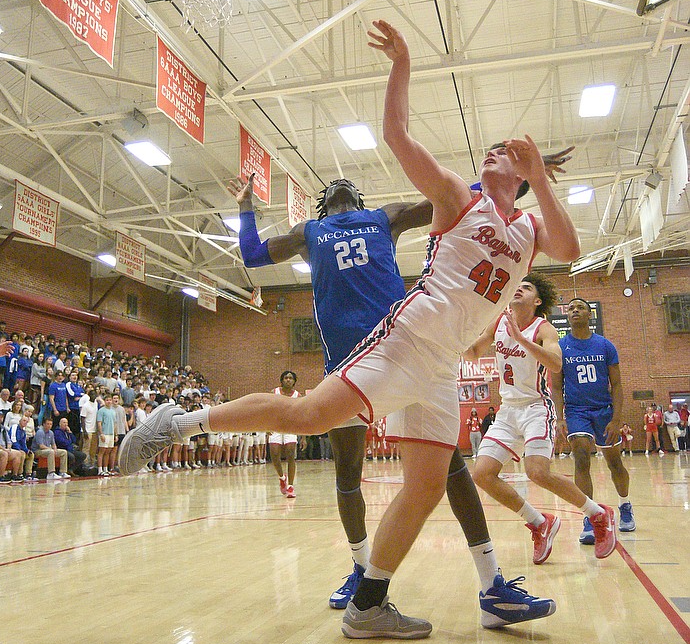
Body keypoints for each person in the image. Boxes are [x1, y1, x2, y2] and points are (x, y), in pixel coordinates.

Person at [120, 19, 581, 641]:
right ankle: (175, 425)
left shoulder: (525, 228)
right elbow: (395, 136)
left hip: (442, 365)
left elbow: (571, 251)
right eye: (490, 149)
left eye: (505, 152)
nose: (495, 151)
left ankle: (373, 601)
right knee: (310, 416)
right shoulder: (456, 198)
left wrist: (541, 177)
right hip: (405, 338)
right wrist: (402, 64)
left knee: (424, 487)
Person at [228, 144, 572, 618]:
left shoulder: (383, 217)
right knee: (346, 474)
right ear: (323, 204)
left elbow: (455, 198)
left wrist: (523, 175)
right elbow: (250, 252)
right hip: (348, 361)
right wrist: (245, 206)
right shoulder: (308, 232)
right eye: (333, 187)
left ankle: (490, 579)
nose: (342, 184)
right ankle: (361, 569)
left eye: (348, 184)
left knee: (447, 473)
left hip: (405, 350)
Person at [468, 277, 617, 563]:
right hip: (508, 410)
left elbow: (556, 363)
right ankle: (539, 522)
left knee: (536, 471)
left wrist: (523, 340)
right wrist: (452, 338)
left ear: (537, 301)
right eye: (518, 285)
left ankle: (599, 515)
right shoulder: (498, 321)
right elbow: (472, 351)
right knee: (482, 474)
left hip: (537, 407)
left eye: (528, 287)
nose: (520, 288)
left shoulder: (544, 328)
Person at [553, 297, 636, 542]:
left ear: (590, 315)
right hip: (577, 410)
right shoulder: (560, 347)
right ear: (567, 316)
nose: (575, 311)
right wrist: (559, 417)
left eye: (580, 308)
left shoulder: (605, 345)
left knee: (614, 463)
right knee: (580, 456)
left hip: (603, 410)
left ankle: (625, 505)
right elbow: (556, 387)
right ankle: (590, 517)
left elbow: (618, 384)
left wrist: (616, 419)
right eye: (571, 308)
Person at [268, 370, 300, 498]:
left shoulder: (297, 395)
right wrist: (266, 425)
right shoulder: (274, 393)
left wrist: (302, 435)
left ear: (294, 381)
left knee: (290, 454)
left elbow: (301, 415)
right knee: (275, 455)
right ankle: (282, 478)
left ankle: (291, 486)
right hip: (275, 426)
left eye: (291, 378)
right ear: (282, 380)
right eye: (286, 378)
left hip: (291, 427)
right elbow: (266, 410)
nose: (288, 380)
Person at [31, 417, 70, 481]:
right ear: (43, 424)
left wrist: (55, 449)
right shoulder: (40, 432)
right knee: (51, 452)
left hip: (48, 450)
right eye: (47, 424)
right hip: (38, 451)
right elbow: (41, 446)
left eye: (50, 424)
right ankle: (51, 473)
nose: (49, 426)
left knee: (63, 452)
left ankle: (62, 472)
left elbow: (53, 444)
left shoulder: (51, 432)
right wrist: (51, 449)